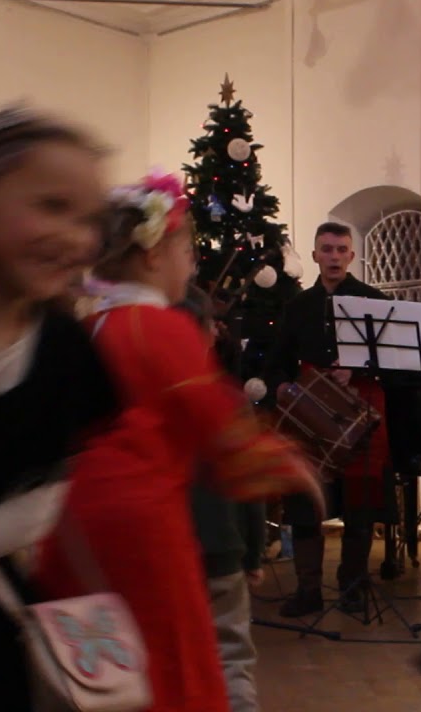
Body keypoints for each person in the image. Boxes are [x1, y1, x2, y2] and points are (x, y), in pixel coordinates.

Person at [35, 170, 322, 712]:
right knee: (173, 671)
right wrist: (289, 465)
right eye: (186, 248)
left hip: (72, 527)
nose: (192, 263)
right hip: (143, 532)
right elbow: (220, 428)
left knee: (102, 682)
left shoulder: (89, 325)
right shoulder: (158, 326)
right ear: (151, 255)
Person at [0, 107, 120, 710]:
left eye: (89, 219)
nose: (77, 238)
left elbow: (44, 500)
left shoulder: (64, 352)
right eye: (51, 206)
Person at [264, 221, 393, 617]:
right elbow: (277, 363)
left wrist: (356, 370)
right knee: (305, 500)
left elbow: (395, 364)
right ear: (316, 254)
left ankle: (353, 585)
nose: (334, 257)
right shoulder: (297, 306)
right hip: (308, 415)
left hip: (358, 409)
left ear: (351, 256)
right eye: (327, 249)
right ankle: (308, 590)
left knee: (360, 503)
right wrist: (282, 388)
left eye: (341, 250)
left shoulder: (372, 301)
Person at [179, 284, 265, 712]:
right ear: (209, 332)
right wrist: (253, 557)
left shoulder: (138, 395)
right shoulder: (230, 400)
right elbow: (250, 485)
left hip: (170, 550)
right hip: (222, 550)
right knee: (231, 661)